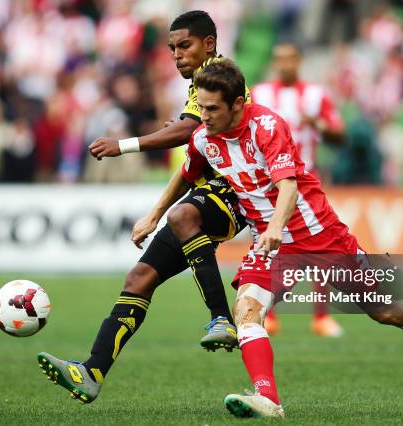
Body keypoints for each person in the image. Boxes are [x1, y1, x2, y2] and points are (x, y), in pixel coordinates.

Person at [159, 59, 403, 418]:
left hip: (321, 236)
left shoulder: (266, 126)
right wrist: (153, 216)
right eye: (200, 107)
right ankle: (268, 400)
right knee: (247, 310)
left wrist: (277, 225)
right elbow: (186, 174)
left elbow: (288, 187)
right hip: (272, 244)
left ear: (236, 105)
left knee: (384, 311)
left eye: (213, 108)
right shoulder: (203, 139)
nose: (205, 116)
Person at [37, 10, 250, 404]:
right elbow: (193, 162)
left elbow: (187, 131)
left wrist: (124, 145)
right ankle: (91, 371)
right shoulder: (198, 89)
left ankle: (222, 318)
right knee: (139, 278)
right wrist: (152, 215)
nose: (176, 54)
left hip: (240, 190)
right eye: (171, 48)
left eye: (184, 45)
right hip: (209, 190)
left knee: (184, 214)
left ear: (208, 44)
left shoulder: (220, 75)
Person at [252, 41, 345, 337]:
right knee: (271, 246)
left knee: (321, 249)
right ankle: (269, 315)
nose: (285, 64)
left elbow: (339, 134)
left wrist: (316, 123)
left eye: (290, 58)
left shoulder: (316, 95)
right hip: (269, 184)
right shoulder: (261, 94)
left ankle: (321, 317)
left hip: (305, 182)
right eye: (280, 58)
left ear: (299, 60)